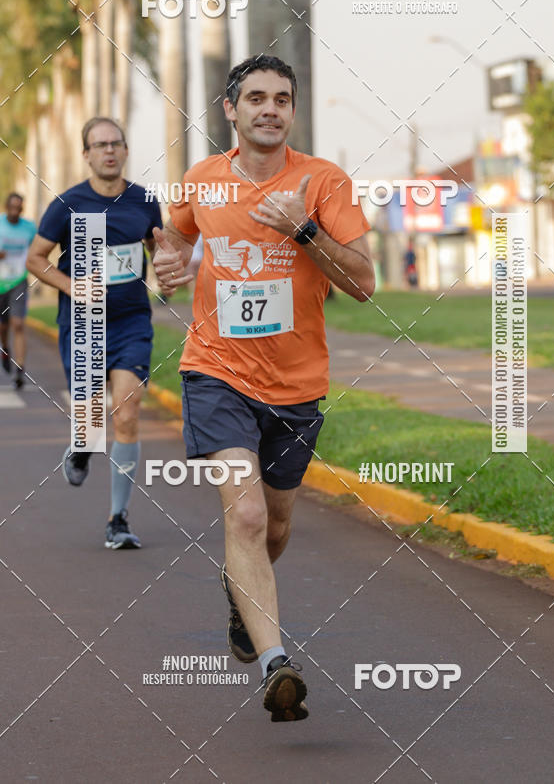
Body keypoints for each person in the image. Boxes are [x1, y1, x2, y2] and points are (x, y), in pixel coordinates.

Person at [152, 55, 375, 721]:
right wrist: (166, 263)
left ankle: (239, 595)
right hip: (216, 370)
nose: (269, 108)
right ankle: (277, 664)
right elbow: (175, 245)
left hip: (297, 386)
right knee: (245, 516)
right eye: (255, 97)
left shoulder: (322, 182)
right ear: (231, 110)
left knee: (274, 526)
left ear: (292, 112)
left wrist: (301, 230)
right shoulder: (202, 182)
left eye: (282, 98)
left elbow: (364, 284)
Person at [26, 117, 162, 549]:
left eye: (115, 144)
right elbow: (36, 258)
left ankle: (117, 518)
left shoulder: (144, 201)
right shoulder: (67, 204)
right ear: (86, 154)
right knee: (89, 422)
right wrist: (71, 286)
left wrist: (169, 272)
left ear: (125, 150)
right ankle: (81, 444)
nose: (108, 151)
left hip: (130, 322)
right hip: (83, 324)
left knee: (126, 409)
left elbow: (159, 251)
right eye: (99, 145)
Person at [0, 193, 37, 389]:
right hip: (0, 282)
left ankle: (20, 369)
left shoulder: (29, 227)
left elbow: (38, 249)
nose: (15, 211)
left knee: (18, 324)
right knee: (3, 327)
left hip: (19, 281)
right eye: (12, 207)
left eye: (19, 208)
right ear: (6, 207)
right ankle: (5, 349)